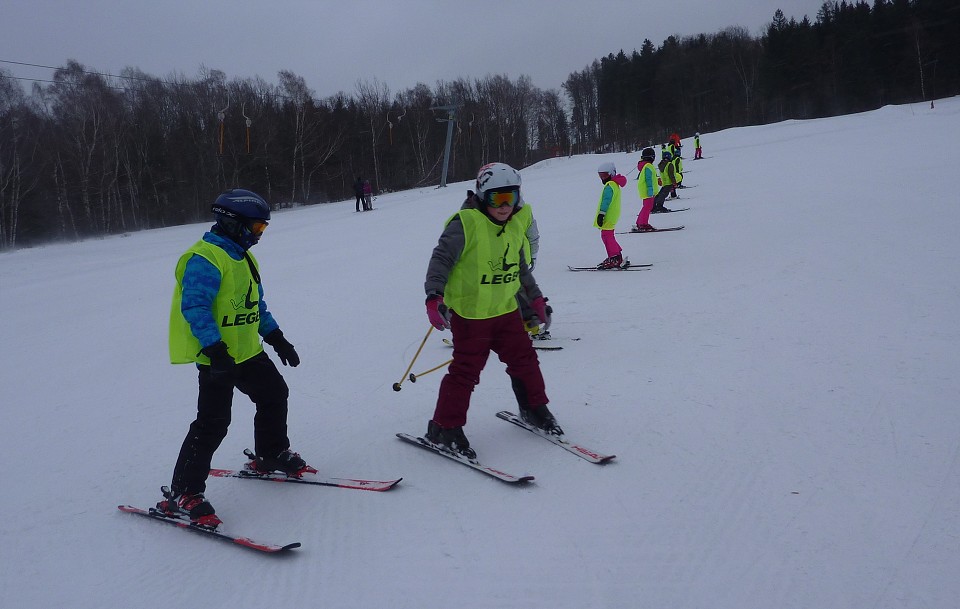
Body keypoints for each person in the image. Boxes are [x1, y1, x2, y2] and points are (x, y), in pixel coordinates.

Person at [160, 189, 309, 527]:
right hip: (218, 358)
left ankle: (269, 454)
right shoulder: (205, 258)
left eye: (262, 230)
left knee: (274, 395)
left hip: (247, 351)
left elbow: (254, 305)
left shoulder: (243, 257)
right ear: (233, 223)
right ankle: (184, 493)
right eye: (256, 228)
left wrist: (276, 338)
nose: (258, 236)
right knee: (212, 424)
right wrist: (214, 349)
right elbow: (195, 307)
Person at [423, 162, 561, 459]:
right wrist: (434, 297)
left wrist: (535, 299)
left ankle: (534, 408)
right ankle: (443, 427)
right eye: (497, 198)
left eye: (510, 197)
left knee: (525, 360)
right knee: (466, 372)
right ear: (483, 196)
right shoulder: (465, 223)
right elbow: (441, 260)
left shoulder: (513, 226)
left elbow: (520, 269)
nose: (504, 206)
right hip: (472, 316)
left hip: (506, 311)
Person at [594, 161, 627, 269]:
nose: (603, 178)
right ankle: (617, 255)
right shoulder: (614, 184)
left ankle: (614, 258)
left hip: (608, 215)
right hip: (612, 215)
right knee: (608, 236)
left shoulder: (610, 186)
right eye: (601, 176)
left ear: (611, 174)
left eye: (605, 175)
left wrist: (601, 214)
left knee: (607, 236)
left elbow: (606, 201)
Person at [634, 147, 659, 232]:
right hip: (648, 191)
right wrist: (650, 190)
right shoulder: (648, 166)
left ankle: (639, 223)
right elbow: (648, 179)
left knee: (646, 207)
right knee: (648, 207)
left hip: (646, 190)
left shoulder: (646, 166)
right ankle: (643, 224)